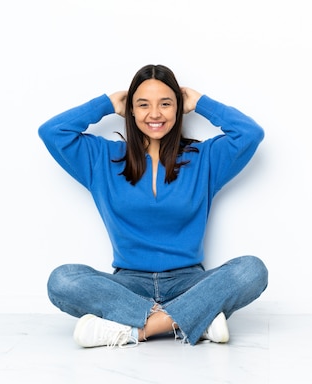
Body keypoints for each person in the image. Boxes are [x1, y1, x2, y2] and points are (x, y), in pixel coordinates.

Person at [38, 64, 268, 348]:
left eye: (166, 104)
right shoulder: (101, 158)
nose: (155, 114)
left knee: (251, 270)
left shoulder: (205, 158)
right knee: (63, 280)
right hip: (128, 285)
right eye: (143, 104)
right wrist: (107, 104)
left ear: (178, 109)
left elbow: (250, 134)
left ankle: (135, 329)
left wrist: (201, 103)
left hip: (189, 283)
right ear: (131, 110)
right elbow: (52, 132)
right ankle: (194, 318)